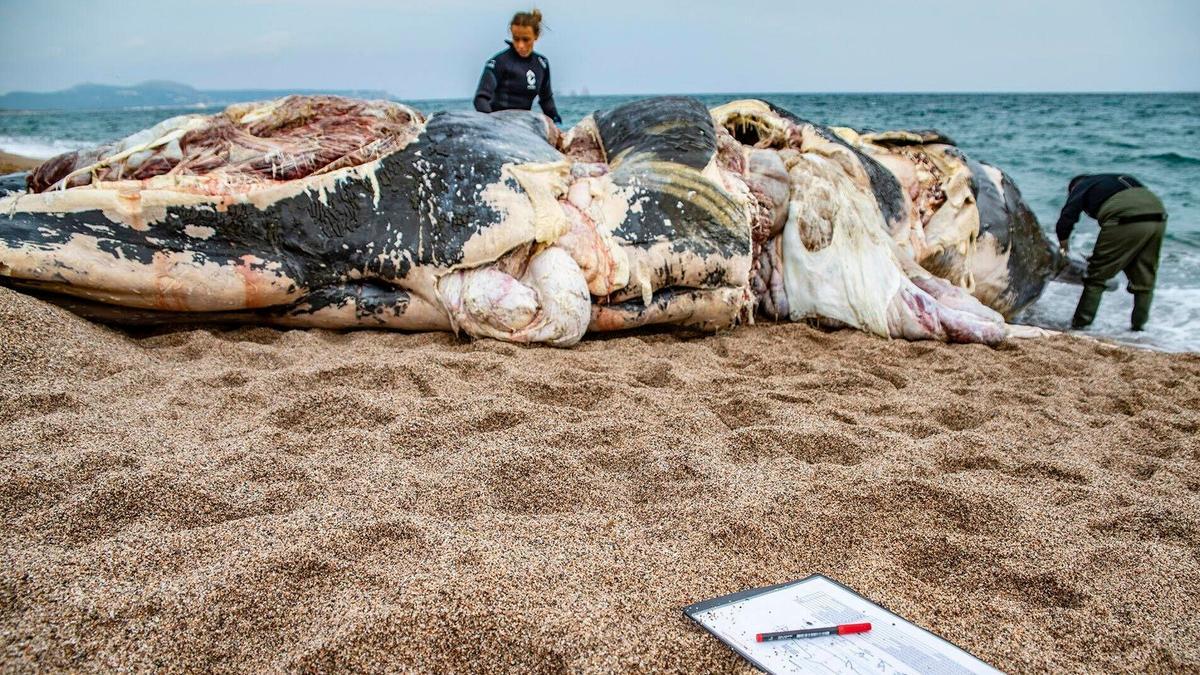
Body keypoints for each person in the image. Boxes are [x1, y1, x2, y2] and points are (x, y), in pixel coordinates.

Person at [1056, 173, 1168, 331]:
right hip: (1158, 216)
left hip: (1126, 217)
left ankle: (1080, 326)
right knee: (1144, 280)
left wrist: (1063, 243)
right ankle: (1138, 329)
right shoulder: (1114, 180)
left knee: (1097, 276)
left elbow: (1068, 214)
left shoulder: (1082, 185)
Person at [473, 9, 562, 125]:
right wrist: (492, 125)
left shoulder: (542, 64)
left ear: (536, 36)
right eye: (516, 39)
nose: (520, 45)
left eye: (526, 39)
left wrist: (557, 123)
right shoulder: (499, 62)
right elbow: (480, 99)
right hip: (498, 126)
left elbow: (546, 100)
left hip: (524, 128)